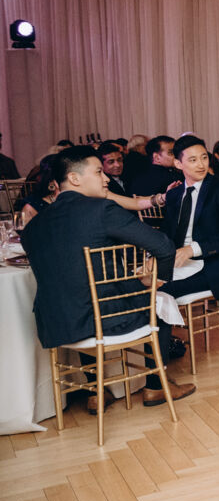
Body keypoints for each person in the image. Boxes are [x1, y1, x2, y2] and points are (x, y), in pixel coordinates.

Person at [22, 146, 193, 413]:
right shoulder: (101, 209)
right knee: (160, 302)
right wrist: (157, 280)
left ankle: (96, 392)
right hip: (105, 318)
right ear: (75, 178)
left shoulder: (33, 226)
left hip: (56, 323)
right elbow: (163, 246)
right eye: (99, 172)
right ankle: (156, 386)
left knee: (84, 298)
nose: (105, 179)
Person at [158, 137, 219, 355]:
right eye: (193, 160)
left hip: (212, 267)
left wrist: (192, 249)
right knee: (139, 286)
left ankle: (160, 360)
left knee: (158, 291)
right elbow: (166, 234)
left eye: (204, 158)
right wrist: (154, 258)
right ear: (178, 164)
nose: (201, 165)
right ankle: (162, 349)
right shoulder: (174, 194)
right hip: (178, 264)